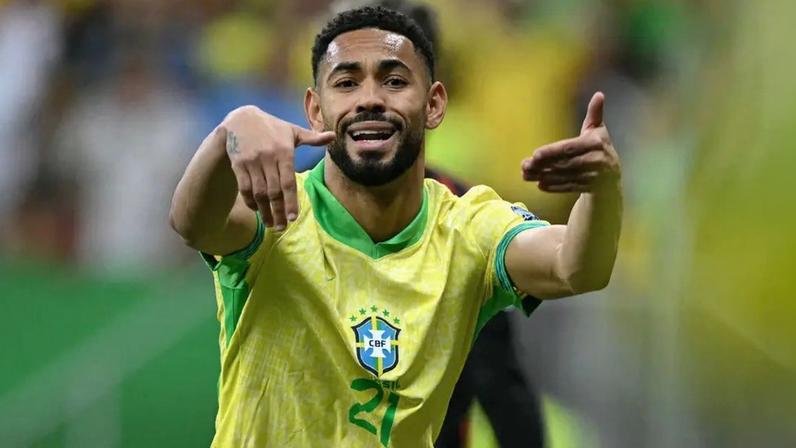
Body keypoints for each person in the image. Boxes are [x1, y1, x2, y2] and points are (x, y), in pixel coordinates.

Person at [170, 6, 622, 447]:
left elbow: (576, 267)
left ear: (434, 105)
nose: (369, 98)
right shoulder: (277, 212)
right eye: (346, 83)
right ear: (315, 109)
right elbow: (192, 223)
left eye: (394, 81)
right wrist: (226, 133)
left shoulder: (469, 227)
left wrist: (601, 190)